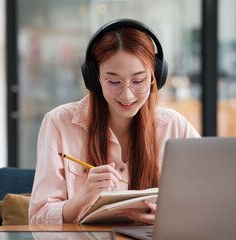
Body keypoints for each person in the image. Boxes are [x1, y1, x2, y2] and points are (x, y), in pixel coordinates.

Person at [28, 19, 200, 225]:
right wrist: (83, 197)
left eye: (138, 81)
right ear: (94, 78)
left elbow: (209, 202)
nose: (127, 95)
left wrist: (171, 218)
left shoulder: (175, 127)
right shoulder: (58, 123)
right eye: (114, 81)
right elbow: (38, 219)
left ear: (155, 77)